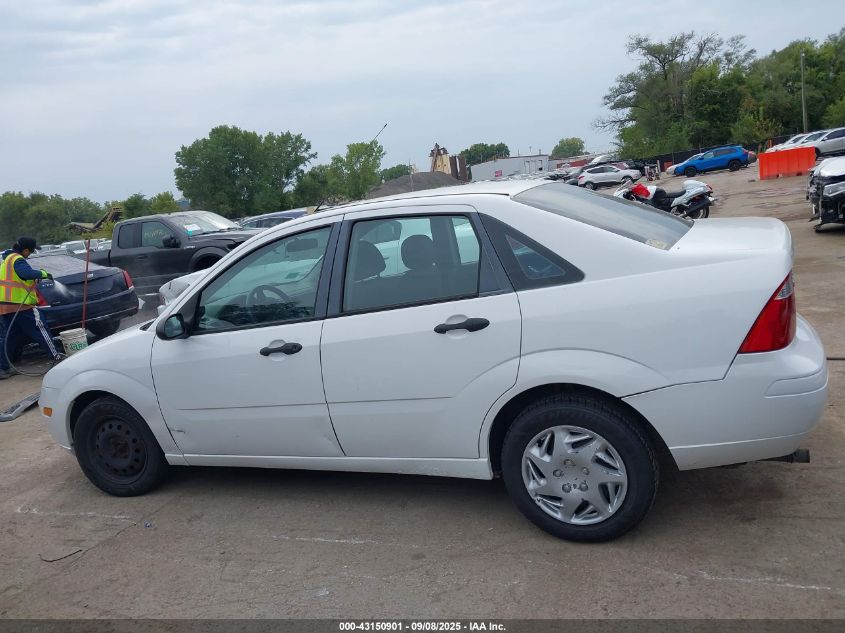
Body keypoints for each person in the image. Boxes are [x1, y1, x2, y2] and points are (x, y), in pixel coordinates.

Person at [0, 237, 62, 379]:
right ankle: (56, 357)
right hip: (21, 306)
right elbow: (25, 273)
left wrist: (32, 278)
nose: (31, 254)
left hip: (5, 306)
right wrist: (43, 273)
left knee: (9, 337)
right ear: (25, 250)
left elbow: (18, 278)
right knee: (40, 329)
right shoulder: (18, 259)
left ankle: (2, 368)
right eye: (32, 251)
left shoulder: (7, 260)